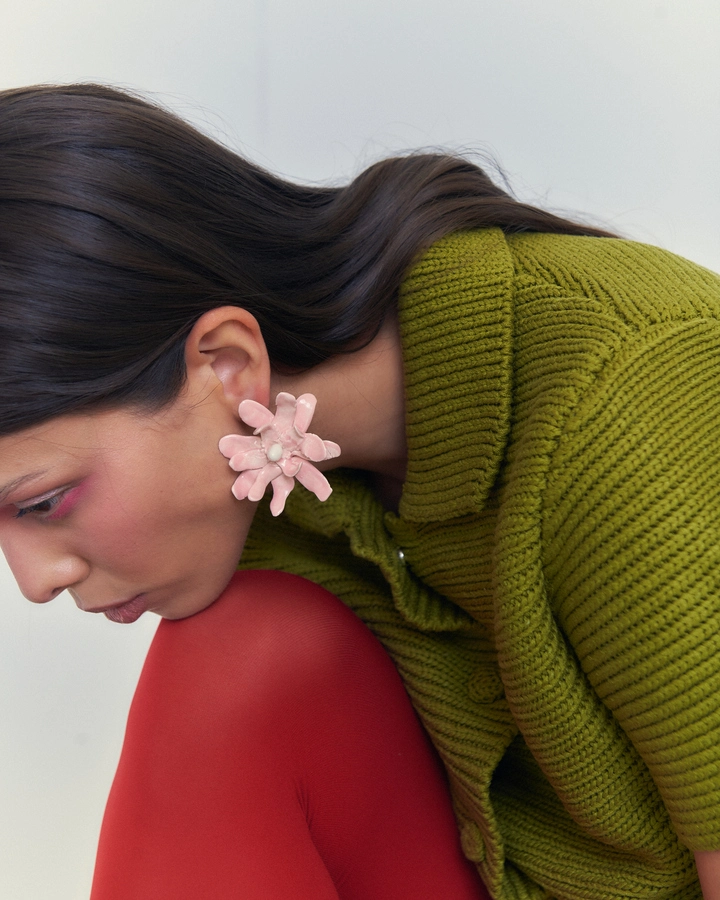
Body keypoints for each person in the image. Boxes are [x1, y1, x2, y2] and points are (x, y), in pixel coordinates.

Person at [0, 83, 718, 899]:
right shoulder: (273, 485)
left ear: (227, 363)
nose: (32, 580)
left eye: (41, 502)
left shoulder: (631, 396)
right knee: (238, 644)